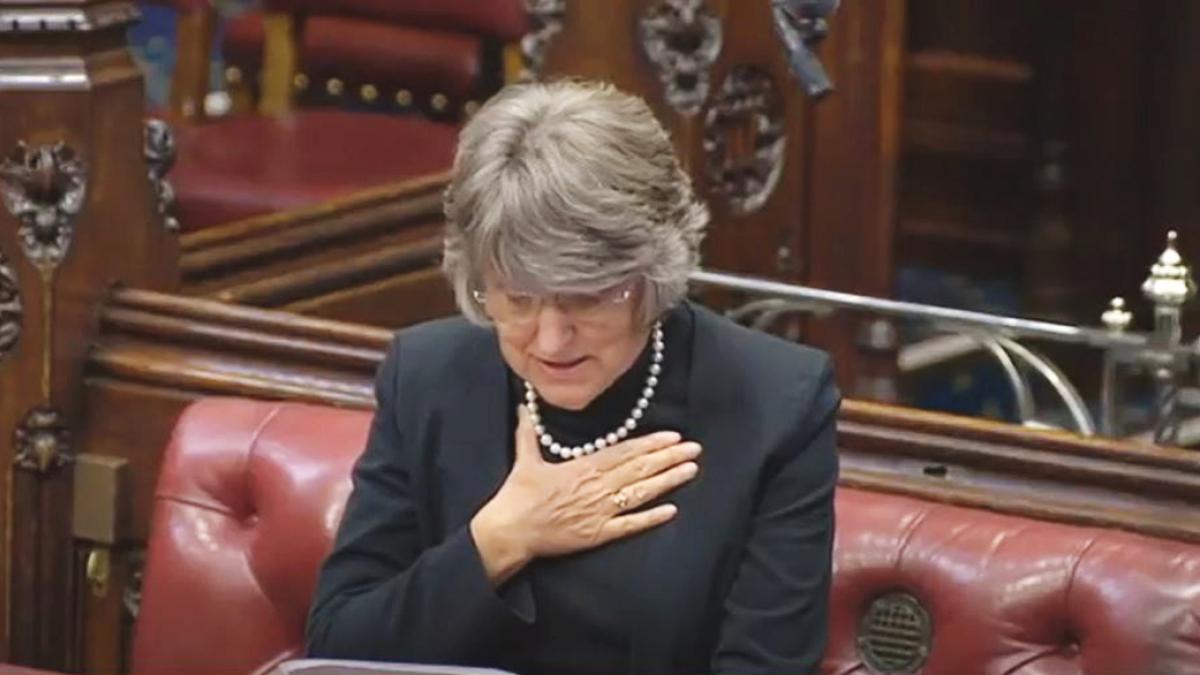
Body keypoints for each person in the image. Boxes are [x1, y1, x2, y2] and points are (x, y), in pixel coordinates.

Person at [306, 80, 840, 675]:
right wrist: (503, 539)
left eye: (588, 300)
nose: (552, 339)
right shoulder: (427, 377)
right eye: (518, 299)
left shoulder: (776, 405)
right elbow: (338, 645)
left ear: (654, 273)